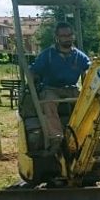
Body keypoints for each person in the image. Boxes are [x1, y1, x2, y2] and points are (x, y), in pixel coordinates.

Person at [29, 22, 90, 152]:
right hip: (51, 88)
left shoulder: (79, 56)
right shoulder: (48, 55)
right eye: (63, 35)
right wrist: (33, 81)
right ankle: (56, 138)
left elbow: (89, 69)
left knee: (88, 102)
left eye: (69, 35)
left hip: (71, 89)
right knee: (49, 102)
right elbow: (34, 71)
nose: (67, 38)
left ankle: (84, 134)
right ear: (57, 37)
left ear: (73, 36)